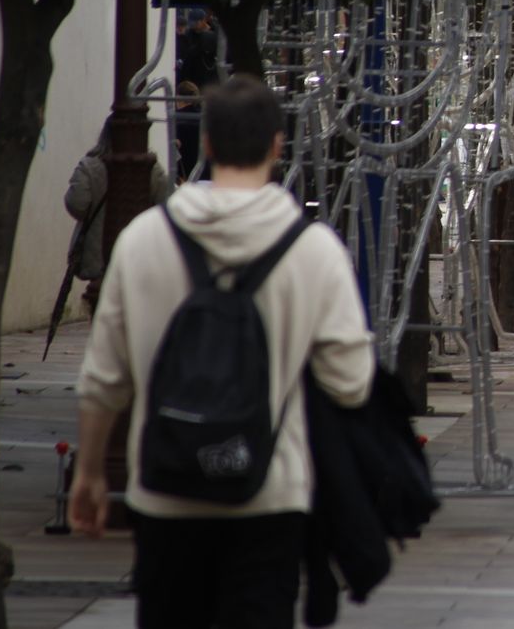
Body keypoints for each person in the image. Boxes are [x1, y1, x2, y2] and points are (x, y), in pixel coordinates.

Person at [69, 76, 375, 628]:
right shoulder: (314, 251)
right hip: (269, 495)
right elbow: (351, 382)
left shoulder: (143, 239)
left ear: (206, 142)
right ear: (277, 146)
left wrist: (89, 471)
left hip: (165, 493)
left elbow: (104, 377)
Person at [65, 119, 174, 314]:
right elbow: (168, 207)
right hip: (140, 253)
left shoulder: (89, 167)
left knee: (102, 303)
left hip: (97, 255)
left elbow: (77, 205)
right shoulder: (151, 169)